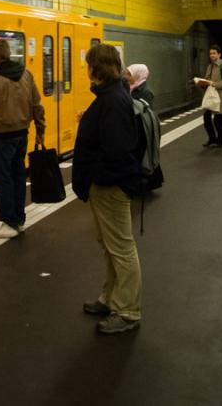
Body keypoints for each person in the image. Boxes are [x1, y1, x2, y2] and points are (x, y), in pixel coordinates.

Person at [72, 43, 143, 334]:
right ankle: (111, 298)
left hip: (110, 187)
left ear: (95, 69)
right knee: (111, 247)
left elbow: (117, 149)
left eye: (88, 64)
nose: (86, 69)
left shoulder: (113, 100)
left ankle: (127, 311)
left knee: (122, 249)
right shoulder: (111, 96)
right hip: (104, 186)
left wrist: (97, 177)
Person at [0, 39, 46, 238]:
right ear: (9, 54)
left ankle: (8, 221)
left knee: (3, 178)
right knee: (18, 175)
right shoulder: (26, 74)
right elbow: (37, 104)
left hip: (3, 135)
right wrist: (40, 129)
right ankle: (19, 219)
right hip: (22, 133)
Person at [197, 44, 222, 147]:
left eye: (214, 53)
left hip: (220, 96)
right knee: (206, 118)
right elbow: (207, 79)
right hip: (210, 96)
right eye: (210, 53)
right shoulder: (210, 66)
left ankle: (221, 141)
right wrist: (202, 83)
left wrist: (214, 84)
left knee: (218, 120)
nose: (212, 55)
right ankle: (212, 139)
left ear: (219, 55)